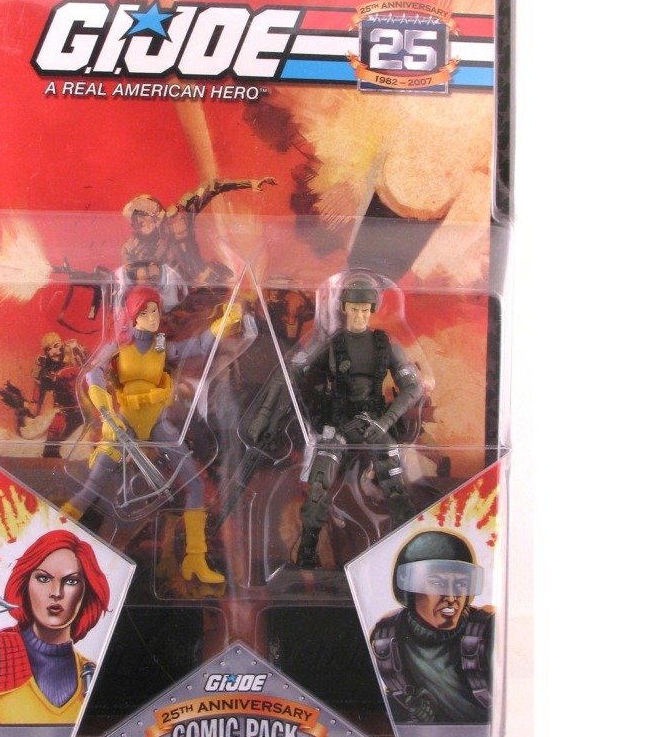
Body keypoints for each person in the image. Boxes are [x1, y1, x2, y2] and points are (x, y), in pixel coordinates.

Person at [71, 285, 245, 583]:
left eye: (155, 311)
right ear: (132, 315)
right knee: (93, 485)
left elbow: (196, 346)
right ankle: (61, 526)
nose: (153, 317)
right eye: (145, 312)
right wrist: (106, 413)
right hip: (124, 423)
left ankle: (195, 559)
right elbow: (93, 372)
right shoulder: (120, 344)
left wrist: (222, 323)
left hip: (158, 423)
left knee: (195, 485)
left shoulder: (161, 344)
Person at [270, 273, 424, 567]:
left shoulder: (384, 345)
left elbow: (413, 388)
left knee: (393, 482)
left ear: (372, 310)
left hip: (374, 422)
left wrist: (385, 421)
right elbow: (295, 372)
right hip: (338, 424)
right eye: (354, 309)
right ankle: (307, 552)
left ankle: (409, 546)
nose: (359, 316)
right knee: (319, 487)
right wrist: (274, 411)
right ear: (344, 308)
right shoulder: (331, 343)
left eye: (365, 310)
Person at [0, 530, 110, 725]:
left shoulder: (90, 671)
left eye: (71, 581)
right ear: (25, 584)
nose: (56, 593)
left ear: (86, 593)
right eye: (43, 578)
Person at [369, 530, 492, 724]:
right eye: (437, 583)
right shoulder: (386, 636)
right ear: (409, 588)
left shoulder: (488, 631)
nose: (451, 597)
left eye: (461, 583)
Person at [121, 177, 275, 285]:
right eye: (138, 223)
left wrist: (249, 183)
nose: (144, 225)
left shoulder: (181, 215)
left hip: (205, 281)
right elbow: (131, 279)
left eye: (144, 220)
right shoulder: (133, 248)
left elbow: (212, 187)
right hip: (172, 294)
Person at [30, 332, 87, 458]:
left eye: (56, 346)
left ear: (62, 345)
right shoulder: (45, 365)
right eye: (49, 349)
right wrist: (35, 408)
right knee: (52, 442)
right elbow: (39, 390)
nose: (53, 351)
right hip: (64, 411)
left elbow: (90, 368)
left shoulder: (73, 354)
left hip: (84, 408)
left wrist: (78, 350)